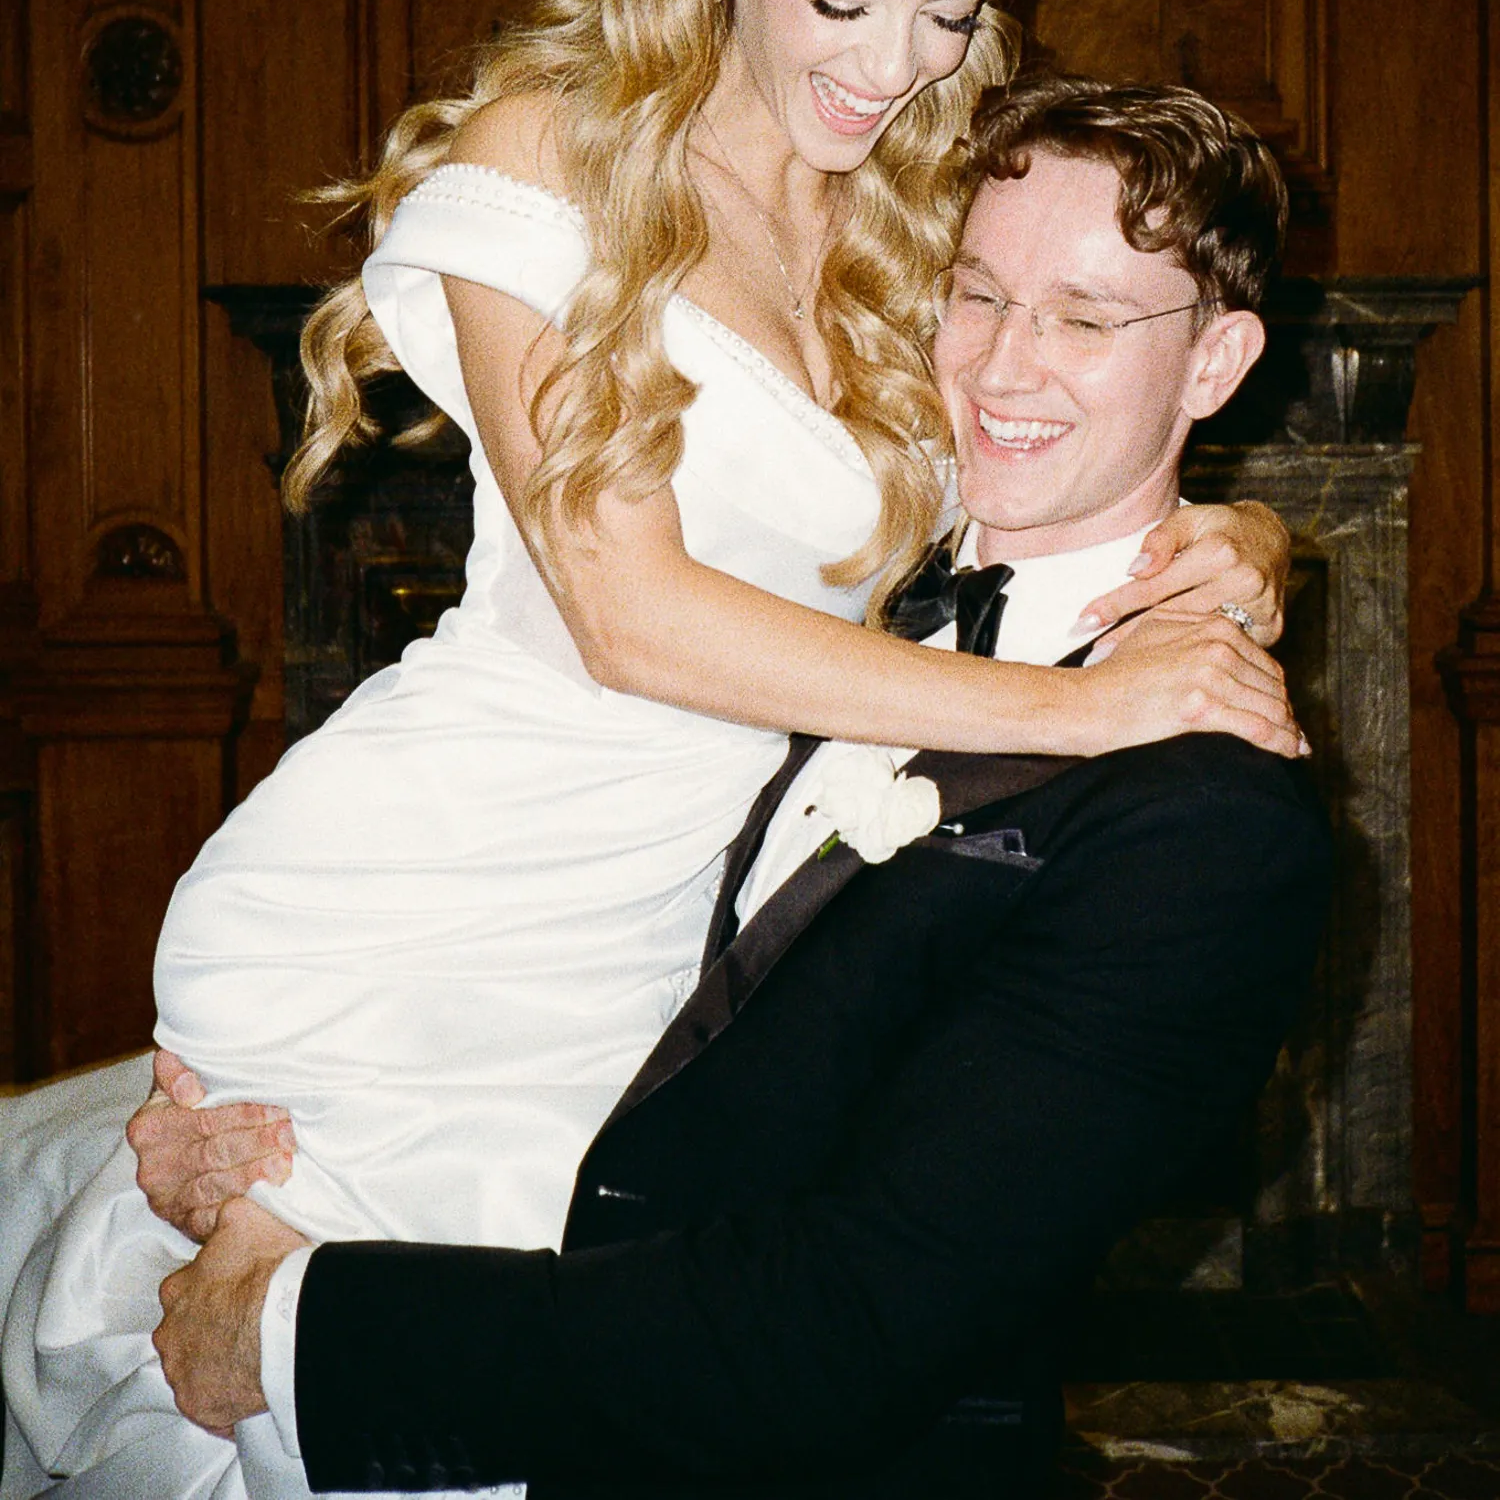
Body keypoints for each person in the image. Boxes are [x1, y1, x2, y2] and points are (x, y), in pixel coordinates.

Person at [0, 0, 1294, 1500]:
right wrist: (1088, 711)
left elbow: (1071, 412)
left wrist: (1247, 535)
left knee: (553, 1379)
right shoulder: (553, 155)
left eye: (947, 12)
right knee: (344, 1405)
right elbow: (629, 614)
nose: (893, 63)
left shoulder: (919, 187)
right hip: (442, 896)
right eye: (842, 1)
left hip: (687, 926)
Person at [146, 76, 1332, 1500]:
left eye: (1085, 320)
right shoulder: (851, 599)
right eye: (975, 294)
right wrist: (285, 1126)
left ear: (1216, 363)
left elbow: (846, 1326)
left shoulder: (1208, 825)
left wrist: (293, 1330)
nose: (1004, 365)